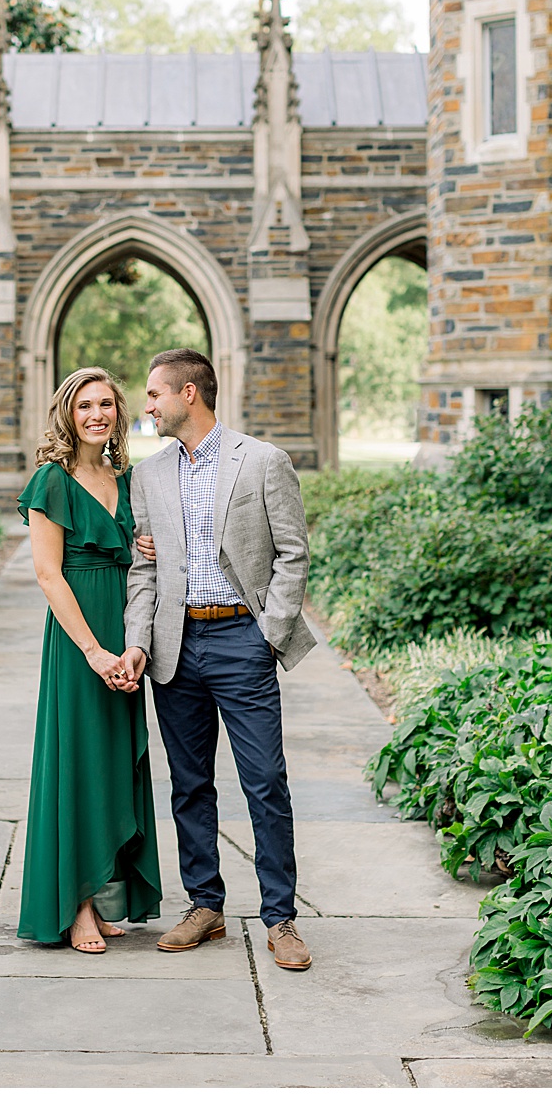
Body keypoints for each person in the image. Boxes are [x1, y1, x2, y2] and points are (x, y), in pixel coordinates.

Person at [122, 348, 319, 971]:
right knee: (189, 785)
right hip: (176, 648)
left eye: (154, 395)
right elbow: (144, 570)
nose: (146, 406)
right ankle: (204, 906)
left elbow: (293, 552)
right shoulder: (149, 475)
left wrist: (270, 630)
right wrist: (139, 639)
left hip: (242, 640)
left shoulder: (262, 461)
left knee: (265, 781)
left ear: (189, 393)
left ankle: (281, 919)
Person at [16, 367, 163, 953]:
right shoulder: (52, 480)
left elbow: (133, 555)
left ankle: (102, 896)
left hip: (123, 638)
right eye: (85, 406)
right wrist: (94, 651)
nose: (97, 414)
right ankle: (75, 908)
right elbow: (49, 574)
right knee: (77, 764)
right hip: (80, 643)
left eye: (106, 404)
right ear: (67, 415)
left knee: (111, 765)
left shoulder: (124, 479)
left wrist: (140, 548)